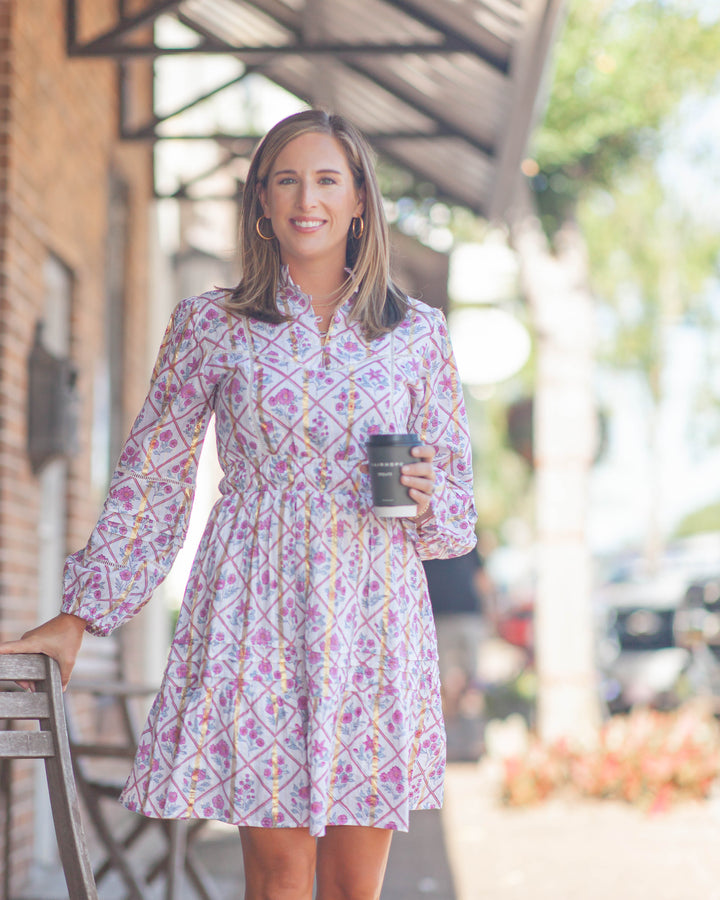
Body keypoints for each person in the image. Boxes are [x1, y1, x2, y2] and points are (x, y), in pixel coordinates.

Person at [0, 109, 476, 900]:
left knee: (356, 885)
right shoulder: (211, 325)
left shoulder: (417, 335)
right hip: (256, 609)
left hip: (375, 613)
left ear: (361, 199)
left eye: (327, 179)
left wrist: (427, 496)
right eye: (285, 179)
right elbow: (152, 475)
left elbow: (454, 515)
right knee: (281, 873)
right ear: (260, 202)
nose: (306, 199)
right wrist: (83, 614)